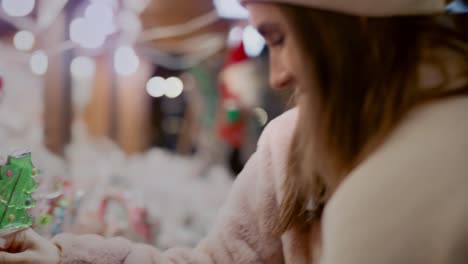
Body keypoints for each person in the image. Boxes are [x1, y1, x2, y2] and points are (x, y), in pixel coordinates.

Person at [1, 0, 467, 263]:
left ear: (354, 28)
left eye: (279, 38)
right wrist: (65, 259)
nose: (278, 75)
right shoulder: (288, 147)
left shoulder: (437, 167)